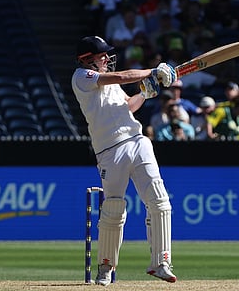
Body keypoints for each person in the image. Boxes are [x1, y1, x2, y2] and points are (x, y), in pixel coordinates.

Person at [71, 36, 177, 286]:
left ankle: (161, 262)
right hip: (109, 150)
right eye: (102, 55)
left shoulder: (108, 82)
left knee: (159, 201)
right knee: (114, 208)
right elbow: (120, 77)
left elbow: (127, 107)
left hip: (138, 141)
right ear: (87, 59)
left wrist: (145, 91)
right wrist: (154, 69)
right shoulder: (81, 77)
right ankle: (106, 267)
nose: (107, 58)